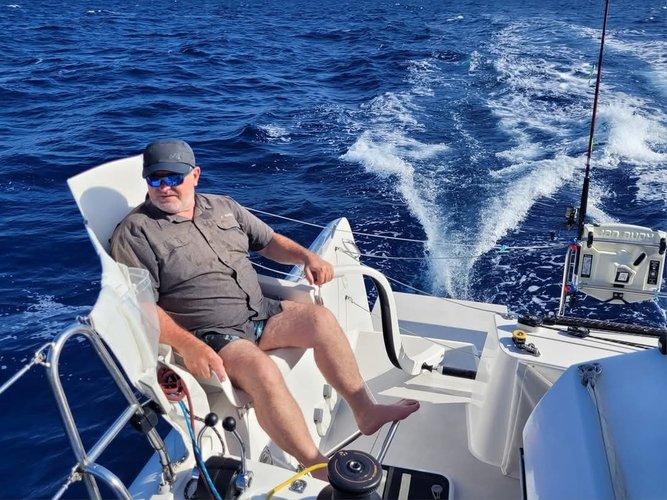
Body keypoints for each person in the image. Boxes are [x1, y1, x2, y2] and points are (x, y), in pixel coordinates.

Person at [110, 138, 420, 476]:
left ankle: (366, 411)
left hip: (260, 312)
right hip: (213, 336)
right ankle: (316, 466)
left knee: (321, 320)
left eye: (174, 177)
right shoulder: (135, 233)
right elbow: (142, 305)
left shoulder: (223, 207)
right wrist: (187, 345)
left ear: (195, 175)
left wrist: (306, 257)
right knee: (263, 371)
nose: (165, 187)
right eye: (155, 179)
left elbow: (269, 242)